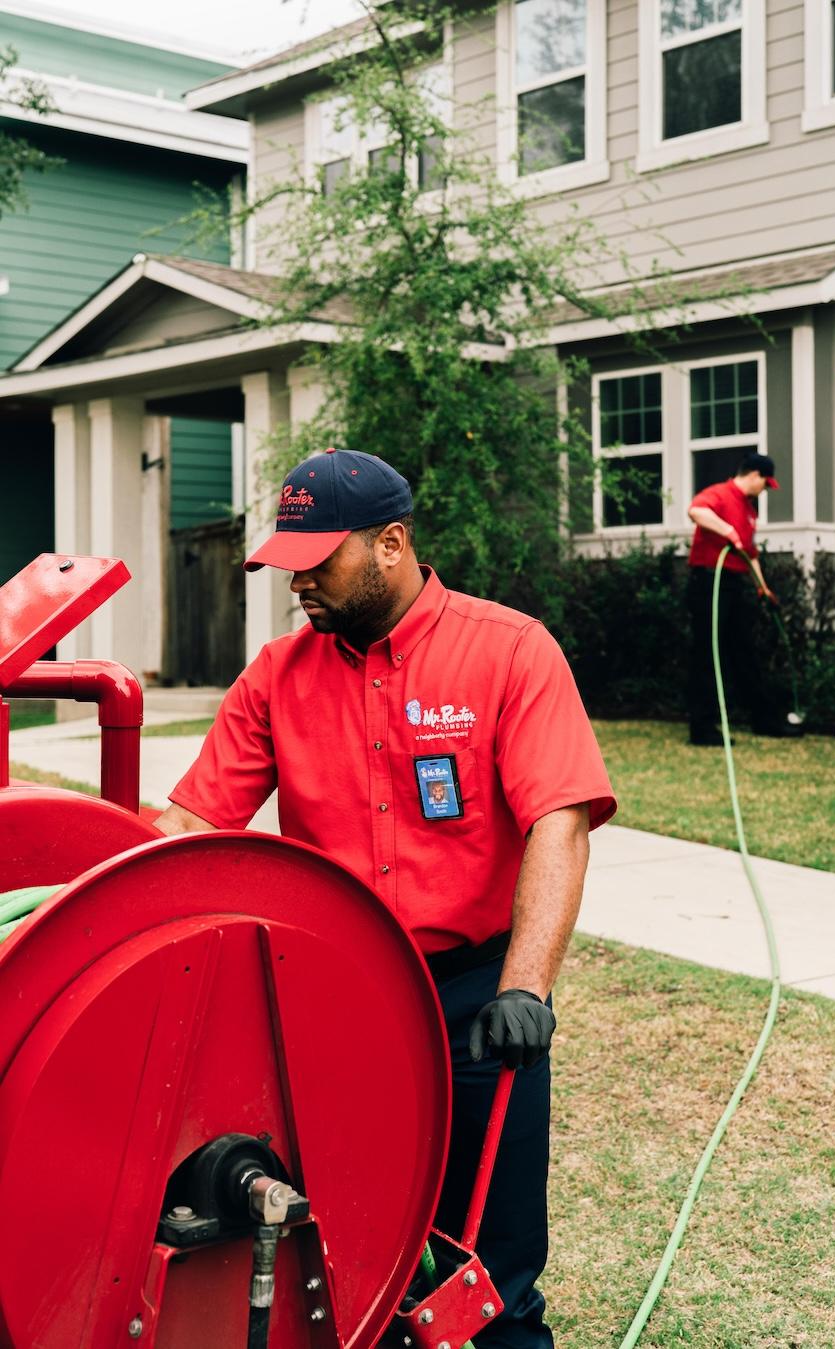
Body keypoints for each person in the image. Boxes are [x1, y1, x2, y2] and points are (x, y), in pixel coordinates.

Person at [155, 447, 617, 1348]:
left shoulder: (510, 651)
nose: (298, 585)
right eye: (287, 566)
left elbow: (559, 820)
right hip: (331, 999)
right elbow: (190, 826)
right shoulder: (275, 678)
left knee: (492, 1268)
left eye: (316, 562)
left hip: (477, 998)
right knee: (349, 1250)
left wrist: (525, 988)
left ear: (392, 543)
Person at [686, 451, 799, 746]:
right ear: (753, 475)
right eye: (765, 483)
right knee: (709, 654)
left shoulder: (750, 510)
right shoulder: (720, 494)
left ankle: (764, 720)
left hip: (734, 584)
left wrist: (762, 587)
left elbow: (749, 553)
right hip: (709, 581)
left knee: (745, 652)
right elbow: (696, 511)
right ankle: (703, 728)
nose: (764, 489)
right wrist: (728, 530)